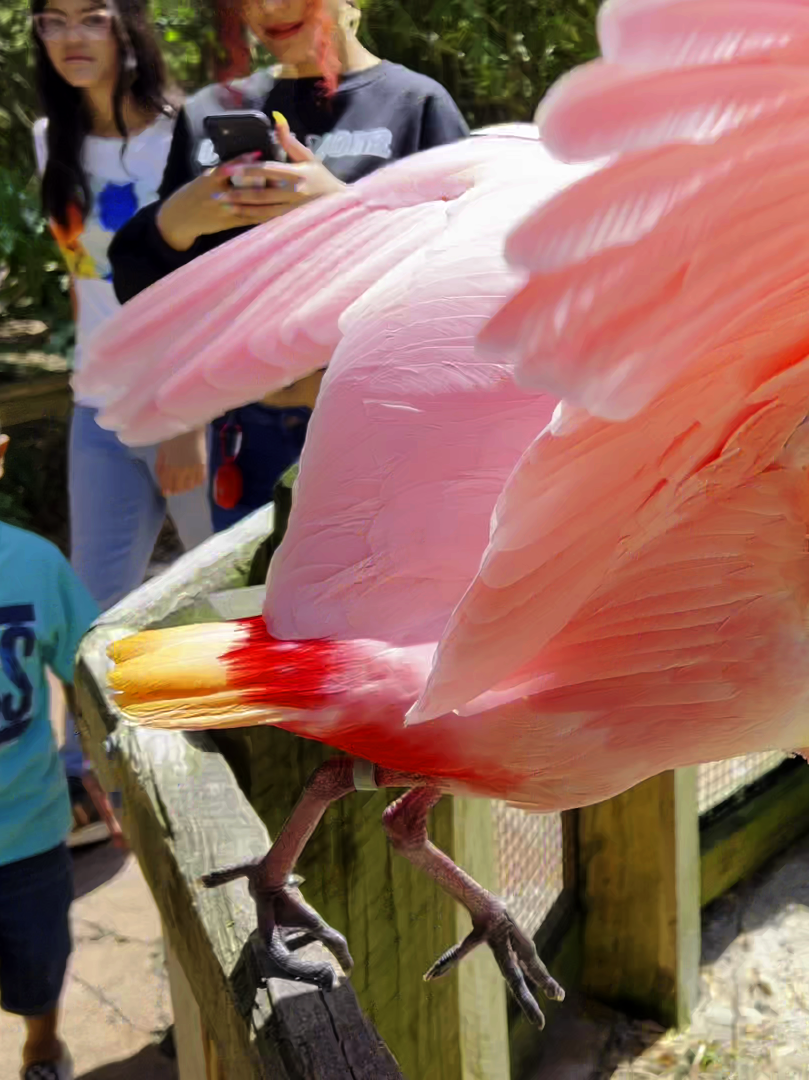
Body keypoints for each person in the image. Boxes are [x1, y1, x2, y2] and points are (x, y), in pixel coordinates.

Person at [110, 0, 471, 531]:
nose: (271, 8)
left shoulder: (416, 104)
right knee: (252, 607)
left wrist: (344, 208)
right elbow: (146, 291)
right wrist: (175, 224)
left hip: (377, 427)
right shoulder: (213, 111)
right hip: (247, 434)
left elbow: (467, 273)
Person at [31, 0, 215, 615]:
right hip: (101, 408)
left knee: (235, 599)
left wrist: (190, 415)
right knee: (95, 615)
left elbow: (213, 282)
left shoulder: (189, 131)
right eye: (52, 20)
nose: (70, 36)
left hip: (193, 406)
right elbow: (85, 281)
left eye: (91, 17)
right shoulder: (49, 140)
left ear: (128, 23)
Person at [0, 420, 101, 1080]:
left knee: (39, 965)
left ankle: (43, 1047)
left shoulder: (36, 563)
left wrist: (103, 775)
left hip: (29, 833)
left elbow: (89, 676)